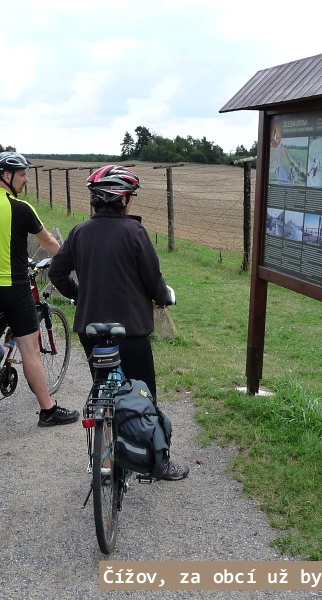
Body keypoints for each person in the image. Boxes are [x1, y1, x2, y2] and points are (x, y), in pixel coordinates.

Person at [48, 165, 189, 480]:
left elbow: (57, 273)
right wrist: (163, 297)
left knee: (103, 386)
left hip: (90, 328)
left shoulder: (80, 232)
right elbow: (153, 280)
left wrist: (79, 296)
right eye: (132, 196)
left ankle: (106, 453)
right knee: (143, 393)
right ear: (123, 199)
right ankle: (159, 463)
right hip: (131, 331)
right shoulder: (135, 232)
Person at [0, 151, 79, 427]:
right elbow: (50, 242)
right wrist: (71, 263)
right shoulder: (21, 208)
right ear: (6, 176)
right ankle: (48, 410)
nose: (26, 179)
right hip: (14, 286)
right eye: (22, 174)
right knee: (30, 348)